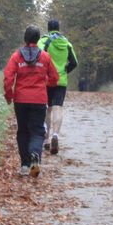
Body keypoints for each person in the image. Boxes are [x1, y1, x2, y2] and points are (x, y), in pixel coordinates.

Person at [4, 25, 59, 177]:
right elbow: (55, 78)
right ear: (38, 39)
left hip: (20, 100)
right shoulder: (45, 57)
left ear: (25, 38)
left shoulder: (16, 56)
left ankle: (24, 166)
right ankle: (35, 162)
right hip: (39, 100)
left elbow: (8, 78)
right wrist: (44, 85)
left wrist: (9, 96)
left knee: (23, 131)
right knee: (37, 131)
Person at [37, 19, 78, 155]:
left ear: (48, 29)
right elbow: (74, 62)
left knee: (47, 108)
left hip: (47, 79)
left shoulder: (45, 41)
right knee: (58, 107)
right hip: (61, 80)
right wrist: (65, 70)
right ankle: (56, 135)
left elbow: (38, 55)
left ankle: (47, 139)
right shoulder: (66, 42)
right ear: (59, 28)